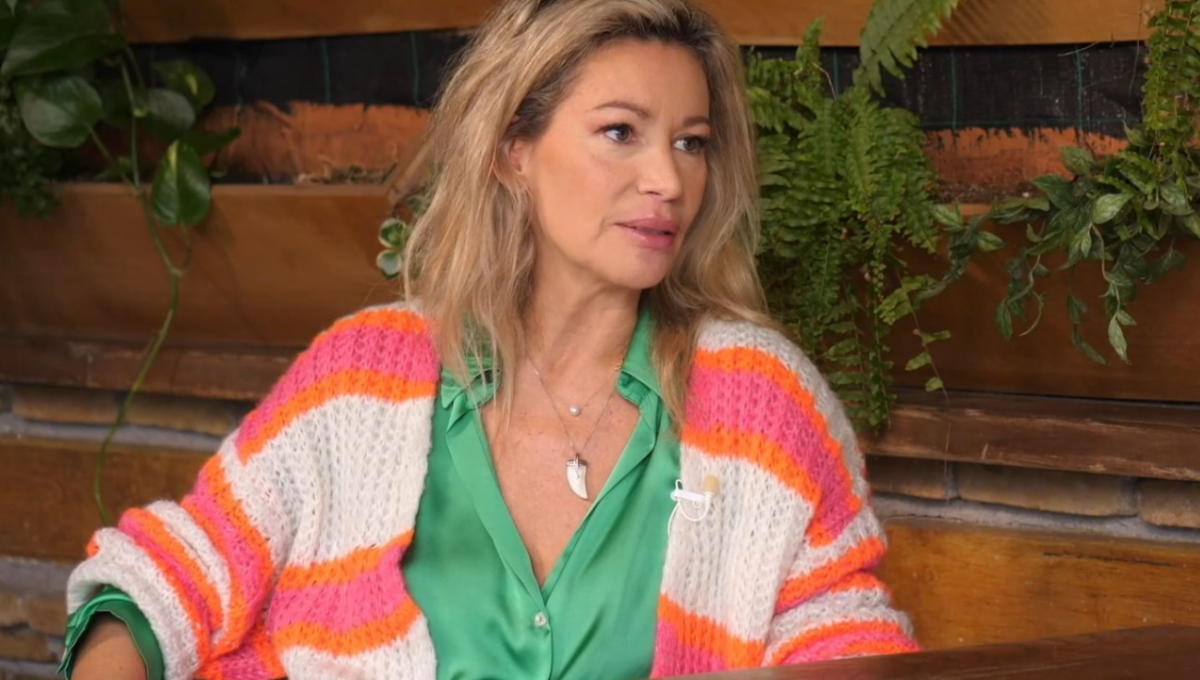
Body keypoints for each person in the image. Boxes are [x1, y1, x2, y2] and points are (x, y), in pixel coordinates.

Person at [61, 0, 918, 678]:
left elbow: (839, 634)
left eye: (691, 143)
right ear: (514, 149)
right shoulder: (362, 380)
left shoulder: (761, 401)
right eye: (620, 132)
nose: (667, 179)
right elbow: (172, 576)